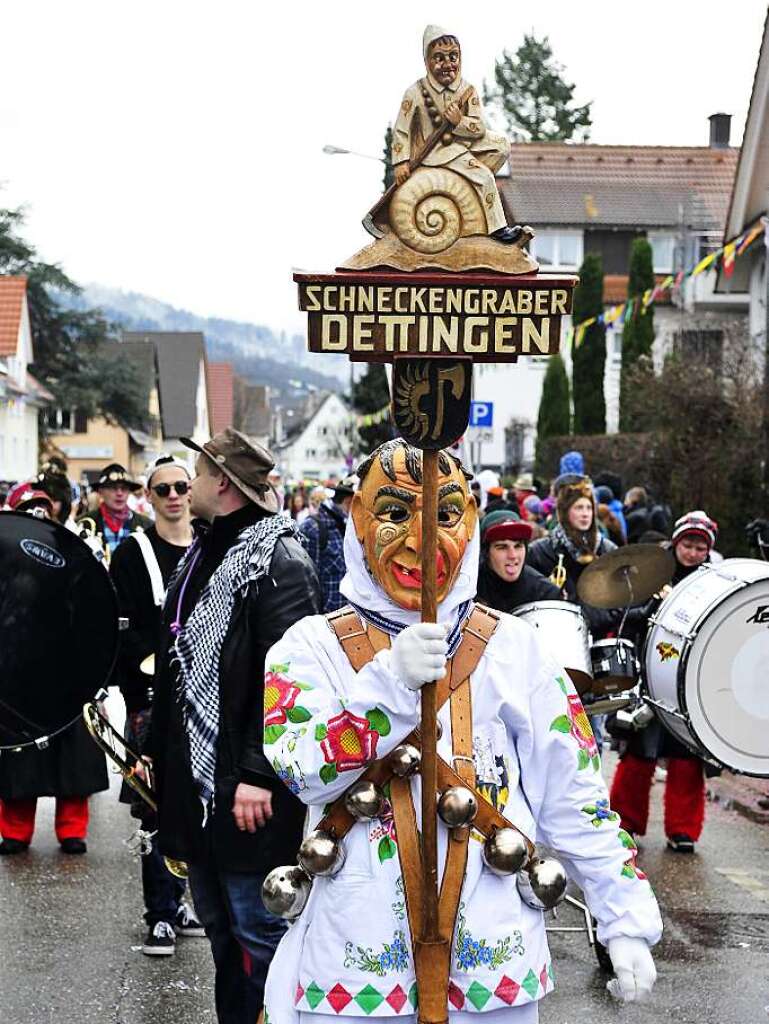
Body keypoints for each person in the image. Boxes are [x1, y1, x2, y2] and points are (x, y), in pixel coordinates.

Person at [262, 438, 661, 1024]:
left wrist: (622, 912)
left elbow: (572, 794)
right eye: (396, 512)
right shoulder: (308, 648)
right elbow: (302, 770)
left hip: (492, 959)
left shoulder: (517, 647)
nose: (423, 539)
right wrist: (389, 687)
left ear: (470, 521)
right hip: (356, 962)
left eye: (446, 514)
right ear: (358, 519)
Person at [145, 428, 321, 1024]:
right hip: (202, 785)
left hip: (246, 788)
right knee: (222, 934)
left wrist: (257, 771)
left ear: (221, 482)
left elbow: (289, 681)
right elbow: (178, 662)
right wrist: (154, 752)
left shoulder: (278, 559)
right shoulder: (203, 553)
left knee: (260, 935)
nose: (186, 485)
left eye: (194, 474)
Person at [109, 454, 204, 956]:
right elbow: (120, 628)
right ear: (150, 495)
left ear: (192, 491)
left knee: (196, 803)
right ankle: (159, 913)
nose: (172, 496)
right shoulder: (133, 553)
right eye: (162, 488)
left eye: (180, 486)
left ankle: (184, 900)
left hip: (205, 698)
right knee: (153, 805)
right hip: (150, 697)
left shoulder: (211, 546)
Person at [0, 484, 108, 855]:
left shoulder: (74, 550)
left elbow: (94, 605)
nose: (38, 514)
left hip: (67, 667)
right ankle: (14, 831)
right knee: (17, 754)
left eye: (43, 507)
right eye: (29, 508)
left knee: (74, 755)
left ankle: (72, 830)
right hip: (16, 669)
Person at [609, 510, 719, 853]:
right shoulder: (655, 572)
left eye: (701, 548)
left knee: (687, 755)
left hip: (690, 678)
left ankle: (683, 830)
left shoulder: (712, 580)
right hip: (652, 671)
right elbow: (628, 615)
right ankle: (624, 821)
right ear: (676, 542)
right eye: (688, 545)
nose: (693, 553)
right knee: (640, 750)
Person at [392, 26, 524, 245]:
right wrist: (401, 162)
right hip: (436, 153)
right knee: (484, 176)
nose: (447, 64)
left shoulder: (467, 90)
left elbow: (479, 127)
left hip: (461, 141)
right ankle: (497, 229)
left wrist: (458, 122)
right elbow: (401, 130)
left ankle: (466, 184)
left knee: (501, 145)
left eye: (453, 57)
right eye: (439, 58)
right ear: (427, 61)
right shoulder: (415, 92)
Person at [476, 509, 561, 612]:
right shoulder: (469, 588)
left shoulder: (545, 593)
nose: (513, 555)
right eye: (502, 547)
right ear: (486, 553)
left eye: (518, 546)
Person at [300, 475, 358, 613]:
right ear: (350, 502)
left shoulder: (347, 526)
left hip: (348, 617)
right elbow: (306, 582)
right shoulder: (313, 527)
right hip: (324, 621)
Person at [78, 463, 151, 557]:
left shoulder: (147, 526)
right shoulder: (84, 524)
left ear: (129, 492)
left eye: (124, 488)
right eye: (113, 488)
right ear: (100, 492)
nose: (119, 493)